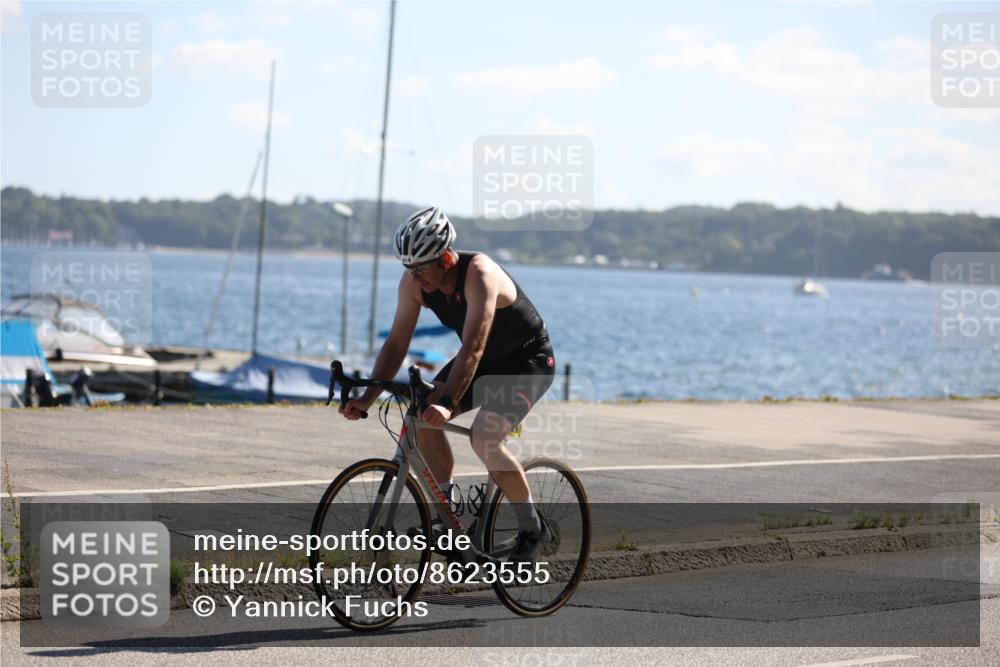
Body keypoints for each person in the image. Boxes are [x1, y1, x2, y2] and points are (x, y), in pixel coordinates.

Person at [339, 205, 556, 561]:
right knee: (421, 417)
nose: (414, 276)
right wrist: (367, 397)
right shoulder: (414, 285)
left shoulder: (480, 274)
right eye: (408, 267)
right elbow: (396, 344)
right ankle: (448, 518)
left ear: (446, 258)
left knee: (484, 437)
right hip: (485, 361)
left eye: (421, 267)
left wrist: (449, 402)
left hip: (526, 361)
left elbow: (473, 347)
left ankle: (533, 529)